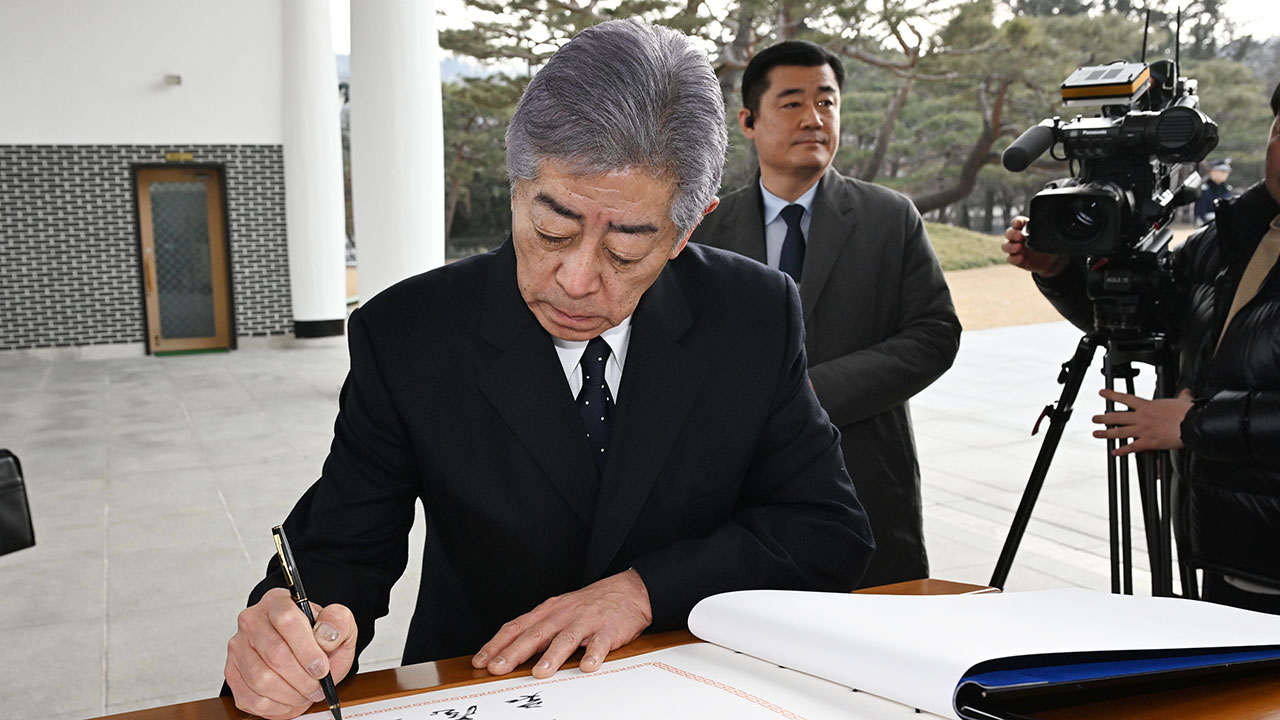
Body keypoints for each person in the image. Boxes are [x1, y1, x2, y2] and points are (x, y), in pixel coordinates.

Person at [222, 20, 874, 720]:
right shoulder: (410, 332)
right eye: (552, 229)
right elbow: (342, 546)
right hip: (480, 682)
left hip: (688, 683)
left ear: (689, 228)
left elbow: (827, 530)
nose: (576, 279)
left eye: (626, 248)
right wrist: (296, 628)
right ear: (517, 184)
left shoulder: (751, 314)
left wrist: (644, 590)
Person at [1001, 82, 1280, 614]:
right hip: (1229, 553)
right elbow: (1144, 322)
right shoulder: (1235, 236)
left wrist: (1192, 424)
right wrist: (1060, 271)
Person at [691, 40, 961, 588]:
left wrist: (813, 392)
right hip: (735, 492)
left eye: (827, 102)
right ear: (748, 120)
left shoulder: (890, 217)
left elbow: (935, 334)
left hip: (866, 480)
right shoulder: (707, 228)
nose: (814, 118)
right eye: (792, 103)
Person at [1194, 157, 1234, 225]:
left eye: (1227, 172)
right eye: (1222, 171)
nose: (1225, 174)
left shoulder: (1227, 190)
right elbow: (1200, 214)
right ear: (1212, 172)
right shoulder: (1204, 189)